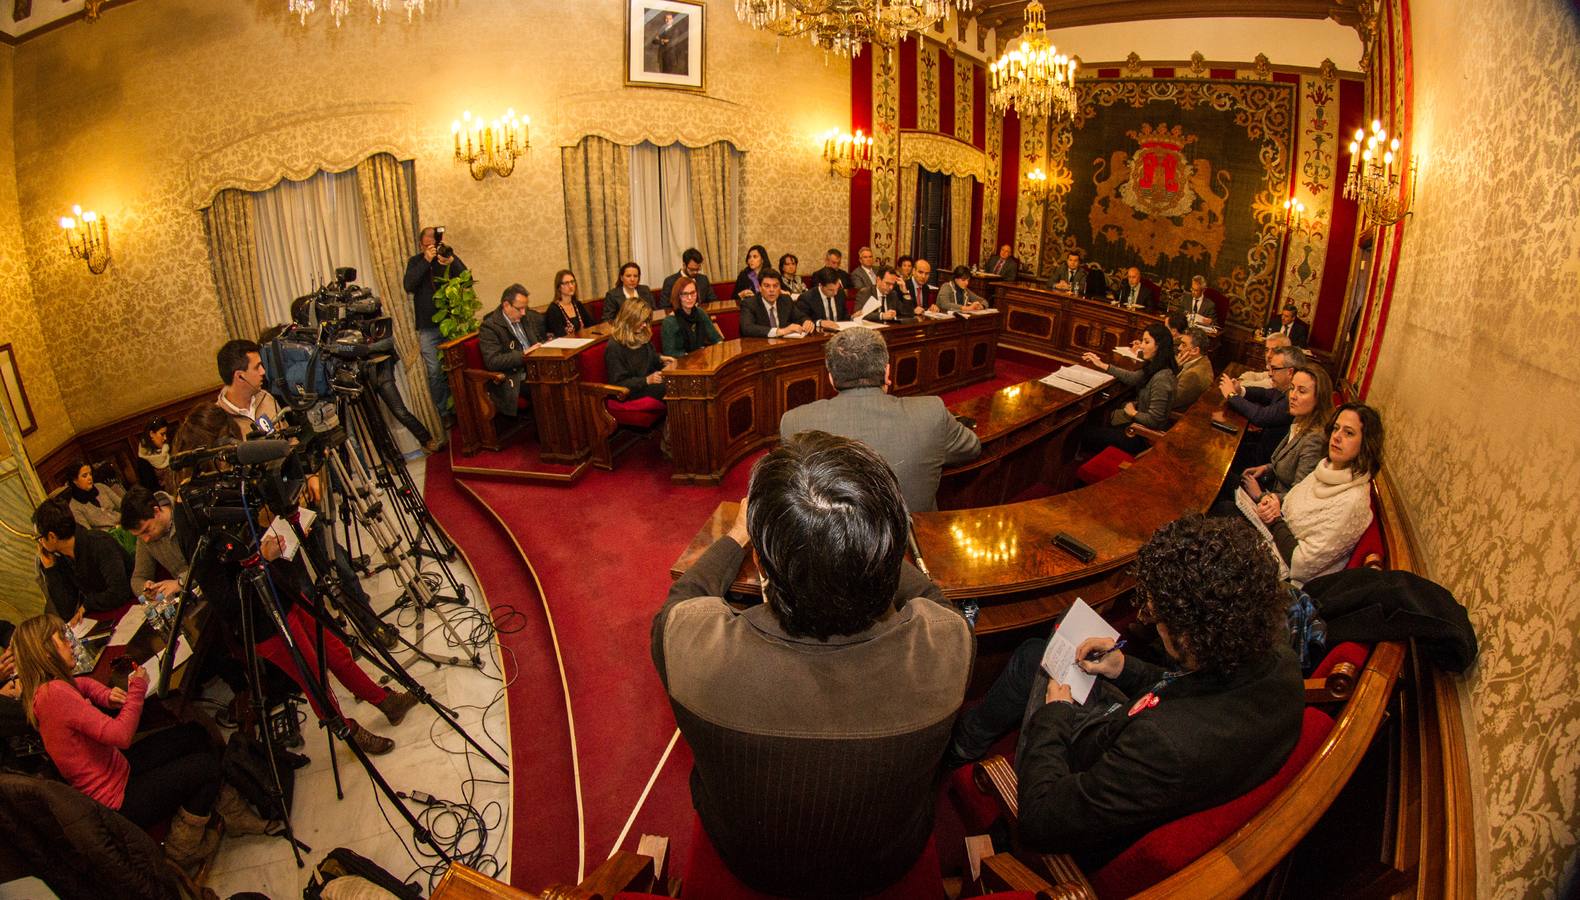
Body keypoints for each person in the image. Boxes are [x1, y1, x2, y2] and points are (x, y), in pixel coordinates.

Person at [653, 432, 974, 896]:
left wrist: (737, 536)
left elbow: (682, 599)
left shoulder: (691, 648)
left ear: (763, 566)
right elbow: (931, 598)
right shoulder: (948, 645)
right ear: (889, 553)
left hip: (747, 859)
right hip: (888, 861)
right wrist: (862, 542)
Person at [945, 514, 1302, 872]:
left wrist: (1053, 716)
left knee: (1033, 658)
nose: (1148, 621)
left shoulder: (1161, 746)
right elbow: (1191, 688)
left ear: (1191, 636)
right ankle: (969, 739)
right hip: (1133, 737)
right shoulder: (1278, 663)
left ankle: (963, 750)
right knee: (1036, 652)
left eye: (1155, 617)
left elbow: (1040, 820)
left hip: (1082, 780)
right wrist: (1123, 667)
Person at [169, 423, 414, 755]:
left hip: (284, 591)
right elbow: (224, 599)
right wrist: (260, 557)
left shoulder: (226, 491)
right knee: (313, 676)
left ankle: (387, 702)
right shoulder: (191, 516)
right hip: (262, 620)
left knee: (336, 652)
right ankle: (350, 732)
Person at [11, 613, 231, 866]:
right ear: (46, 652)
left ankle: (222, 806)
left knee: (192, 734)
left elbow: (81, 684)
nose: (70, 643)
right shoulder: (54, 695)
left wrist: (104, 694)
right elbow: (121, 735)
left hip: (118, 769)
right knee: (206, 766)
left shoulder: (46, 688)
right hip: (115, 801)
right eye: (62, 639)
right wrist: (136, 689)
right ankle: (183, 848)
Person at [780, 328, 980, 512]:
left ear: (831, 378)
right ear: (887, 372)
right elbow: (971, 448)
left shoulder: (795, 423)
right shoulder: (931, 412)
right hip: (914, 542)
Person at [1251, 404, 1382, 585]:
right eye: (1336, 428)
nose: (1337, 436)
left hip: (1286, 578)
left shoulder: (1352, 501)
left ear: (1365, 444)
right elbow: (1288, 502)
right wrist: (1272, 501)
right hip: (1273, 543)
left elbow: (1300, 564)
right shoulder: (1326, 468)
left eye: (1349, 433)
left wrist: (1274, 521)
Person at [1079, 322, 1178, 455]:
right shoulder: (1156, 366)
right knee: (1099, 424)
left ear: (1160, 346)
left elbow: (1154, 421)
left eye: (1146, 342)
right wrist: (1102, 365)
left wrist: (1133, 412)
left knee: (1085, 432)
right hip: (1136, 428)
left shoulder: (1162, 378)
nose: (1142, 346)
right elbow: (1132, 377)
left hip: (1142, 437)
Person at [1242, 364, 1334, 503]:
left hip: (1274, 507)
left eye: (1302, 391)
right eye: (1292, 388)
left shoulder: (1315, 438)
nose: (1293, 396)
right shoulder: (1300, 419)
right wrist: (1267, 468)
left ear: (1319, 398)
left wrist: (1259, 495)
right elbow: (1288, 463)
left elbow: (1299, 496)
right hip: (1269, 487)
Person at [34, 499, 133, 623]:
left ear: (52, 537)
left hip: (132, 607)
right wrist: (51, 569)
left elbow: (119, 592)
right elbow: (67, 612)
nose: (39, 544)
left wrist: (88, 604)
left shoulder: (99, 543)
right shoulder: (60, 557)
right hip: (104, 616)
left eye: (39, 538)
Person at [404, 226, 465, 416]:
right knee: (435, 372)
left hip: (451, 323)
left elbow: (466, 279)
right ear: (422, 244)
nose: (434, 244)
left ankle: (463, 407)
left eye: (436, 241)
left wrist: (451, 262)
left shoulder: (446, 257)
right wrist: (426, 260)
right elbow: (409, 285)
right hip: (428, 329)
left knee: (459, 368)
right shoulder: (415, 261)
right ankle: (444, 413)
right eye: (429, 241)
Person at [1217, 345, 1304, 468]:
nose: (1269, 373)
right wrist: (1240, 390)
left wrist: (1231, 395)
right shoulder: (1283, 388)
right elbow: (1264, 394)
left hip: (1263, 463)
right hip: (1260, 447)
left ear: (1290, 372)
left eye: (1274, 369)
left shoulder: (1293, 398)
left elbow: (1261, 416)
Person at [478, 284, 546, 418]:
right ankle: (548, 433)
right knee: (546, 391)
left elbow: (538, 340)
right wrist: (523, 355)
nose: (523, 313)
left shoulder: (525, 318)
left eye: (525, 308)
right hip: (513, 378)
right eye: (520, 308)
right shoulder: (490, 327)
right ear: (506, 305)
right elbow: (493, 361)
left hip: (534, 369)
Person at [119, 487, 187, 602]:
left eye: (146, 530)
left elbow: (210, 563)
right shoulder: (144, 536)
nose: (145, 539)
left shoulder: (185, 512)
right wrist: (146, 589)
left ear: (156, 511)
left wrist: (180, 582)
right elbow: (138, 578)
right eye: (139, 535)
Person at [605, 296, 676, 404]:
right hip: (632, 392)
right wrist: (646, 380)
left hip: (646, 384)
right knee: (670, 388)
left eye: (645, 321)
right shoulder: (614, 346)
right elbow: (618, 383)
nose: (644, 325)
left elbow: (649, 358)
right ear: (629, 319)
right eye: (641, 321)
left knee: (677, 381)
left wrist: (661, 359)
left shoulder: (642, 334)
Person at [214, 339, 281, 439]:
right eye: (257, 367)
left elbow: (290, 440)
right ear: (240, 376)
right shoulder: (218, 420)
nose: (263, 371)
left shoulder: (266, 397)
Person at [660, 275, 723, 356]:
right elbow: (669, 352)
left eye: (693, 293)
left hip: (702, 359)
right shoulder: (670, 322)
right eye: (685, 294)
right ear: (677, 296)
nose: (690, 298)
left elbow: (716, 338)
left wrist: (720, 347)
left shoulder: (700, 313)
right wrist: (692, 356)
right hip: (682, 364)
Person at [738, 269, 810, 338]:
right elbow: (747, 328)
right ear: (759, 288)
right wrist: (781, 331)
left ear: (780, 288)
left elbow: (800, 316)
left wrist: (806, 321)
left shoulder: (785, 300)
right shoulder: (749, 303)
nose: (772, 290)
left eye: (775, 286)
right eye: (767, 286)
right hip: (762, 346)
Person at [65, 461, 124, 532]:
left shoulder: (101, 487)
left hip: (124, 525)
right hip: (107, 537)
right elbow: (89, 534)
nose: (90, 478)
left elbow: (123, 505)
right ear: (75, 480)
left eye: (90, 474)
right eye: (84, 476)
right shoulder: (74, 506)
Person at [1172, 327, 1215, 411]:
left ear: (1195, 351)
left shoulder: (1192, 375)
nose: (1179, 348)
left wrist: (1173, 369)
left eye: (1184, 345)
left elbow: (1168, 401)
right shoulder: (1204, 361)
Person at [795, 268, 849, 333]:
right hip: (819, 336)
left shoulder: (840, 293)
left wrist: (852, 317)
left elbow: (844, 315)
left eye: (837, 288)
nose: (835, 293)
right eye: (831, 290)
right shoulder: (807, 298)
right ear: (820, 285)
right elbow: (801, 319)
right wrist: (819, 322)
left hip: (839, 333)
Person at [544, 269, 595, 339]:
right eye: (566, 283)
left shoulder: (577, 304)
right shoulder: (554, 309)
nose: (571, 286)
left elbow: (592, 325)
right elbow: (561, 336)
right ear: (559, 287)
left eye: (572, 282)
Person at [133, 417, 177, 495]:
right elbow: (151, 490)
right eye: (162, 434)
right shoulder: (143, 461)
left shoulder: (168, 449)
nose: (165, 438)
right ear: (152, 434)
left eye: (166, 434)